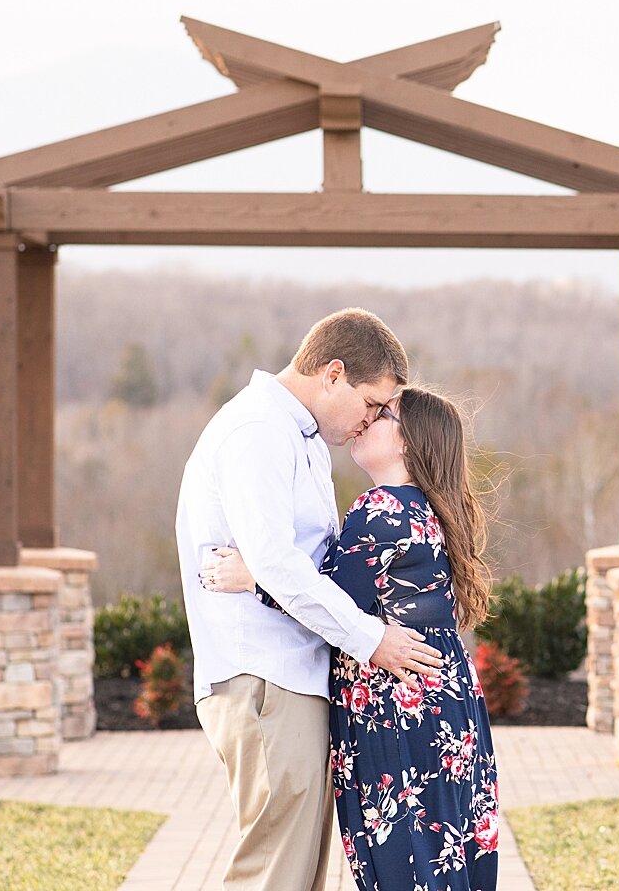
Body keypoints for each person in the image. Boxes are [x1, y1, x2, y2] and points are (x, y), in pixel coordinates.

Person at [176, 308, 445, 891]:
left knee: (296, 872)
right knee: (274, 873)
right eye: (371, 404)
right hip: (265, 678)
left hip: (292, 676)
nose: (371, 419)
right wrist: (373, 640)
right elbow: (278, 563)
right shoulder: (258, 432)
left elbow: (302, 564)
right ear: (333, 374)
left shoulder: (301, 437)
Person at [203, 385, 500, 891]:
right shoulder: (428, 511)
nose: (366, 421)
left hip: (399, 706)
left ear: (410, 442)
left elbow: (328, 602)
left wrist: (253, 577)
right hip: (445, 702)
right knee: (446, 853)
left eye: (382, 414)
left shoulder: (382, 509)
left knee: (407, 864)